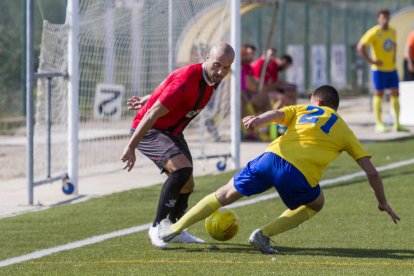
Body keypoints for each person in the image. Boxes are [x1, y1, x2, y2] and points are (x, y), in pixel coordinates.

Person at [158, 84, 400, 254]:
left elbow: (276, 114)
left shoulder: (303, 109)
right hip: (297, 174)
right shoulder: (344, 129)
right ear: (333, 107)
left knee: (224, 194)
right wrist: (382, 201)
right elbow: (371, 172)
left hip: (270, 157)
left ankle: (173, 229)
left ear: (316, 101)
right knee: (316, 203)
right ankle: (263, 234)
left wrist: (257, 120)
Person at [121, 42, 235, 249]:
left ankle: (174, 228)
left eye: (226, 67)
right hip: (151, 130)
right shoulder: (187, 80)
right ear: (207, 57)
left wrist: (150, 96)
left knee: (188, 184)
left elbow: (167, 81)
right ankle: (156, 227)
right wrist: (131, 147)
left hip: (172, 132)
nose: (220, 71)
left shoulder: (213, 78)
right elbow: (152, 113)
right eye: (217, 64)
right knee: (181, 169)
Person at [357, 9, 406, 133]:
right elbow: (360, 47)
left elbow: (393, 46)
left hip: (391, 69)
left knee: (396, 94)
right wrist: (371, 61)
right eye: (383, 18)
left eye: (387, 17)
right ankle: (379, 123)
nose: (385, 20)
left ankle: (397, 123)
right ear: (378, 19)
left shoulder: (393, 32)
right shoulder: (374, 32)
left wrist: (394, 57)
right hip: (379, 70)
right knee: (379, 94)